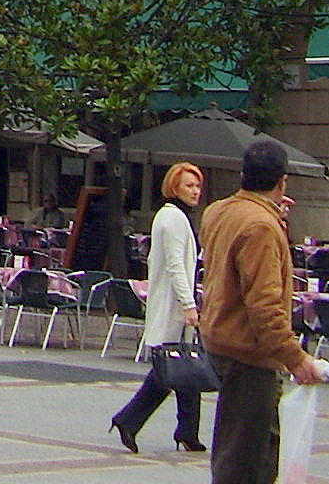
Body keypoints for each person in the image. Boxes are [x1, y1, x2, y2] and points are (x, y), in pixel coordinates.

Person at [202, 138, 327, 483]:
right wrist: (296, 359)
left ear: (243, 175)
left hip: (219, 341)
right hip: (249, 353)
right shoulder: (261, 227)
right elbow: (265, 307)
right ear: (282, 181)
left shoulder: (218, 211)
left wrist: (273, 215)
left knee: (235, 446)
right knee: (248, 458)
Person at [110, 161, 207, 455]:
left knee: (184, 367)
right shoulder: (174, 218)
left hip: (174, 305)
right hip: (174, 307)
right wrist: (189, 304)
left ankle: (187, 431)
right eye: (189, 186)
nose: (195, 191)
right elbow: (176, 265)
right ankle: (129, 420)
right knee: (172, 370)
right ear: (174, 187)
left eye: (198, 185)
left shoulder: (173, 216)